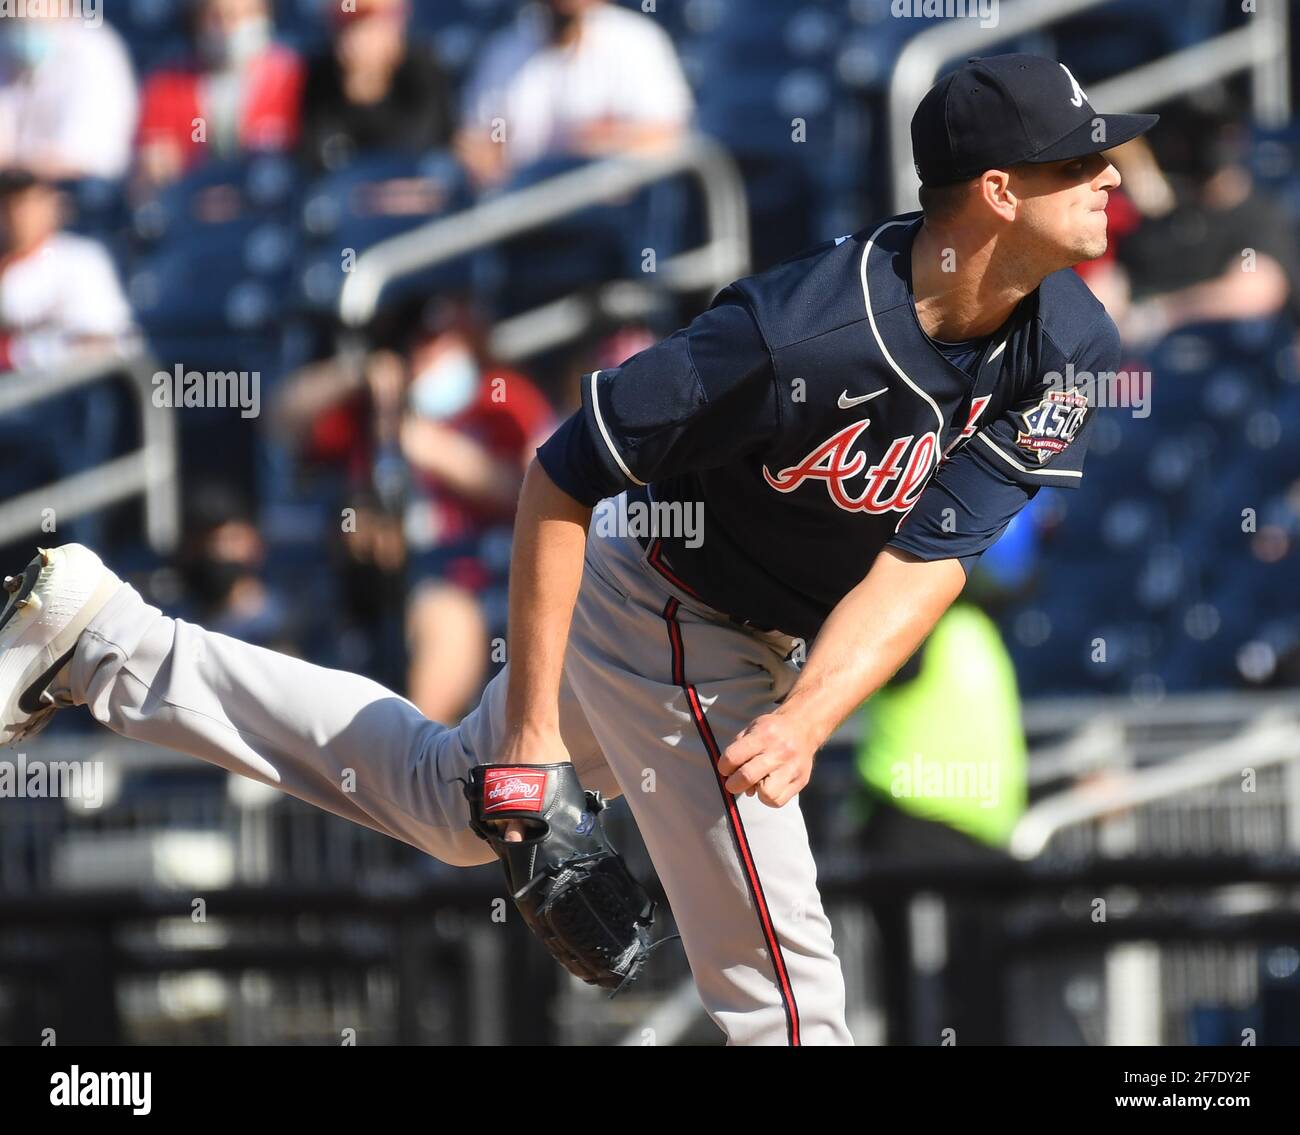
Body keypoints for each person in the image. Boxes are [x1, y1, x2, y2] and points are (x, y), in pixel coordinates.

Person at [0, 55, 1154, 1045]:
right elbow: (559, 472)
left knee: (449, 804)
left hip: (761, 636)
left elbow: (928, 562)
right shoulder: (795, 333)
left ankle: (108, 641)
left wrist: (805, 720)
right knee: (787, 987)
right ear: (997, 193)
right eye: (1077, 162)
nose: (1109, 176)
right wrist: (538, 739)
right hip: (668, 599)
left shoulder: (1069, 339)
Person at [456, 0, 693, 188]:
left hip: (610, 216)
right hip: (522, 214)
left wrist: (604, 143)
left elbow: (669, 134)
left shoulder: (636, 41)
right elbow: (478, 139)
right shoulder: (505, 49)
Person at [134, 0, 303, 190]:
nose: (229, 28)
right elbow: (148, 171)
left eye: (244, 15)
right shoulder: (167, 83)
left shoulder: (298, 78)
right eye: (216, 17)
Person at [0, 168, 135, 371]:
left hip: (71, 392)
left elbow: (109, 341)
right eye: (9, 207)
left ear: (50, 205)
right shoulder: (9, 265)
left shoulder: (81, 259)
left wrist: (19, 352)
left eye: (27, 205)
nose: (19, 217)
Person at [297, 0, 455, 174]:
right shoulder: (320, 73)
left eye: (366, 24)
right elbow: (316, 154)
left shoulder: (424, 66)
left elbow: (422, 143)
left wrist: (374, 85)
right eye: (348, 25)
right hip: (346, 188)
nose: (356, 38)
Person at [0, 10, 138, 181]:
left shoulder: (94, 51)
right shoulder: (8, 46)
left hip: (82, 194)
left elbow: (80, 159)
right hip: (15, 189)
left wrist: (18, 168)